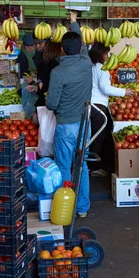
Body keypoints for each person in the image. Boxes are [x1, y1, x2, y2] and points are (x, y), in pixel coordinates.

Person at [46, 12, 93, 218]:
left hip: (65, 126)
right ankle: (82, 208)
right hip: (85, 125)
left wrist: (49, 99)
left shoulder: (57, 72)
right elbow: (80, 42)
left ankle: (69, 209)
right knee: (81, 165)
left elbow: (52, 103)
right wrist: (73, 22)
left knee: (64, 166)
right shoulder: (86, 63)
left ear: (62, 50)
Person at [89, 42, 134, 177]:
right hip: (98, 107)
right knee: (99, 138)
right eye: (106, 53)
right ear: (102, 54)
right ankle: (95, 168)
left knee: (94, 137)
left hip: (91, 105)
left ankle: (93, 166)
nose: (108, 56)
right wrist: (124, 92)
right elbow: (105, 88)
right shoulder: (102, 68)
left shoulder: (91, 66)